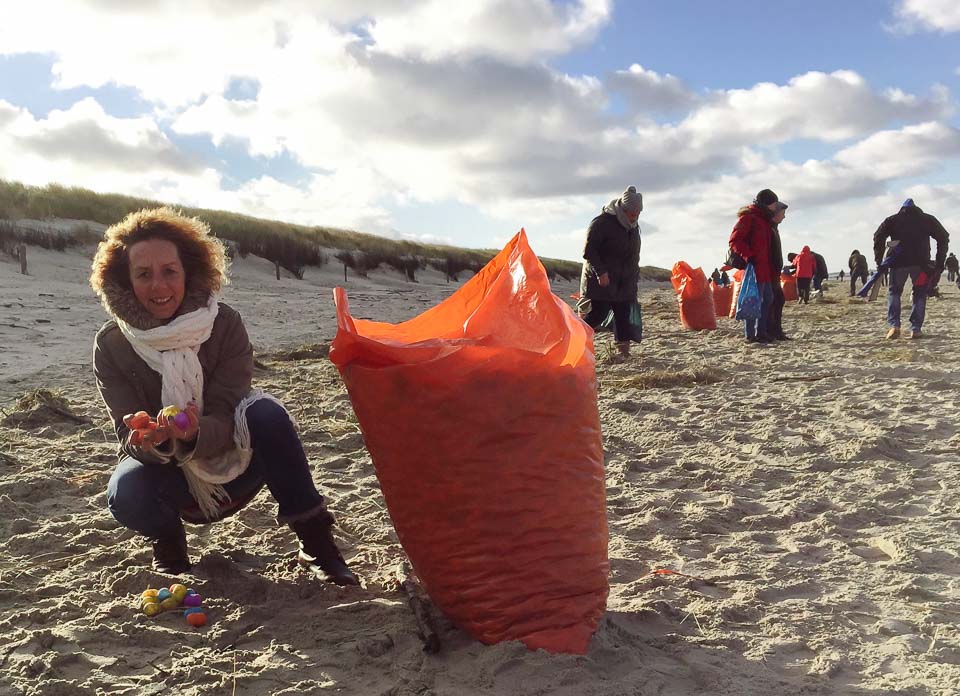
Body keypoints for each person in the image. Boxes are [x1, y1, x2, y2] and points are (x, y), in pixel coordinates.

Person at [90, 208, 358, 584]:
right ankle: (168, 543)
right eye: (143, 274)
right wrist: (149, 440)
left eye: (169, 271)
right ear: (124, 279)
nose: (158, 286)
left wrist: (193, 435)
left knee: (266, 414)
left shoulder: (225, 324)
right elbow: (126, 434)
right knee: (127, 490)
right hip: (171, 476)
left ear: (189, 271)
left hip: (237, 463)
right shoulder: (112, 344)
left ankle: (317, 544)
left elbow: (230, 408)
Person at [873, 198, 950, 339]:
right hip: (922, 264)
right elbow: (944, 237)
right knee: (919, 294)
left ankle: (894, 325)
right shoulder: (927, 219)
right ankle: (916, 329)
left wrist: (879, 260)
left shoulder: (892, 220)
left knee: (894, 293)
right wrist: (939, 262)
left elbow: (878, 236)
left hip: (898, 263)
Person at [580, 186, 643, 357]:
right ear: (623, 209)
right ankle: (575, 340)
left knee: (623, 315)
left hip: (624, 280)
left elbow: (633, 255)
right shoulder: (602, 223)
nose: (635, 216)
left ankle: (623, 352)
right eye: (632, 212)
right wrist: (601, 272)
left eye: (638, 213)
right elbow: (589, 251)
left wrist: (633, 278)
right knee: (598, 313)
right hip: (601, 278)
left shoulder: (633, 227)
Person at [729, 188, 778, 343]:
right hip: (754, 268)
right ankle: (751, 335)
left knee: (767, 299)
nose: (775, 207)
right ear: (766, 203)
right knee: (753, 300)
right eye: (773, 204)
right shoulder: (749, 218)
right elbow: (735, 240)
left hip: (765, 268)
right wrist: (748, 256)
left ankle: (761, 332)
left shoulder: (764, 220)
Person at [766, 201, 789, 340]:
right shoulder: (768, 227)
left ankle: (776, 331)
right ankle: (773, 331)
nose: (784, 217)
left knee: (778, 300)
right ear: (775, 214)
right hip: (768, 271)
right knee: (775, 300)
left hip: (774, 271)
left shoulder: (774, 227)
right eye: (783, 213)